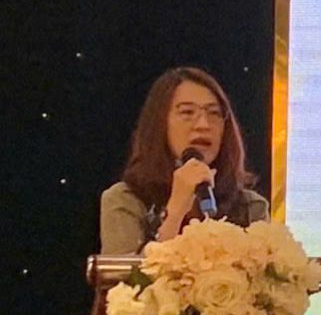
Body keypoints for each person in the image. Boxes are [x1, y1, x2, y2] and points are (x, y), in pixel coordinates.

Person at [99, 66, 270, 256]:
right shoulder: (124, 200)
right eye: (187, 112)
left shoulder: (250, 207)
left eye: (214, 113)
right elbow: (123, 274)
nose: (203, 125)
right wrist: (175, 211)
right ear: (160, 123)